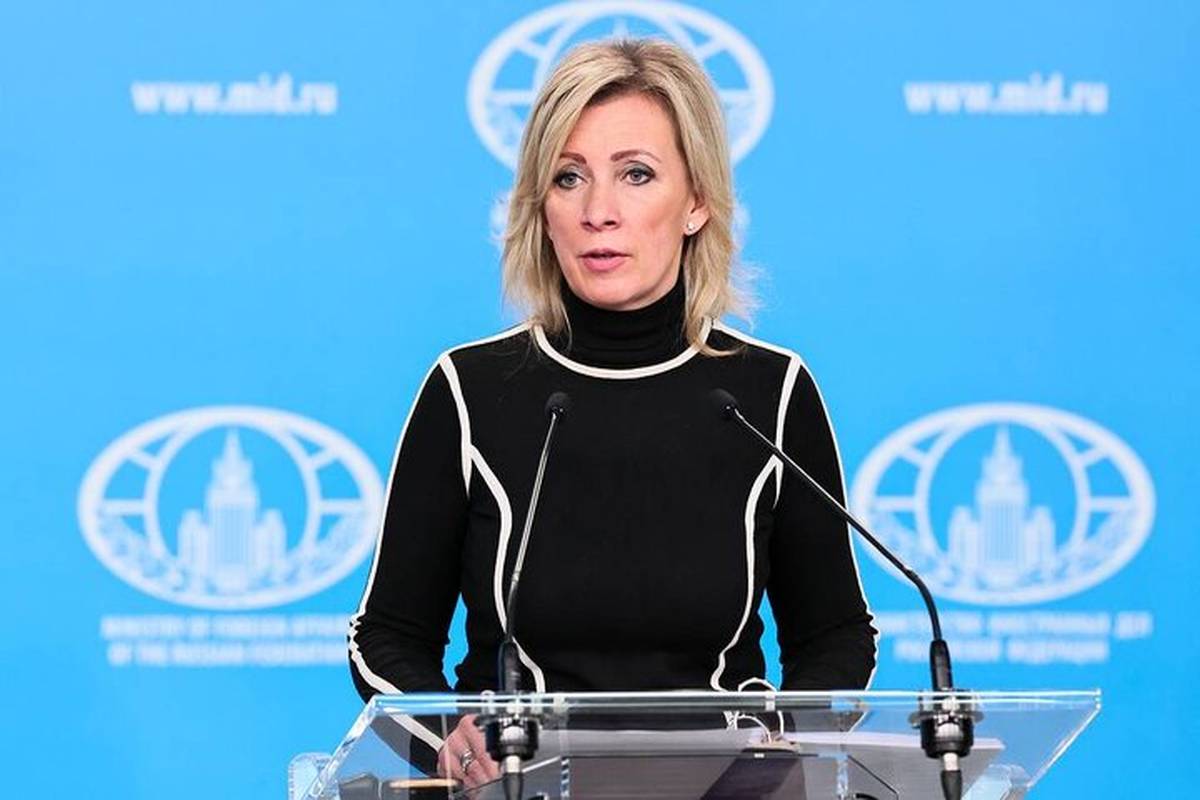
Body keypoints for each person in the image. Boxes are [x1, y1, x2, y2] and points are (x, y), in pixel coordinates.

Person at [348, 38, 876, 788]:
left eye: (637, 175)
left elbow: (838, 636)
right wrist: (445, 735)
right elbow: (386, 637)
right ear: (542, 209)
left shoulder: (769, 393)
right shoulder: (469, 389)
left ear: (697, 202)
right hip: (516, 787)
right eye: (569, 178)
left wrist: (780, 745)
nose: (599, 212)